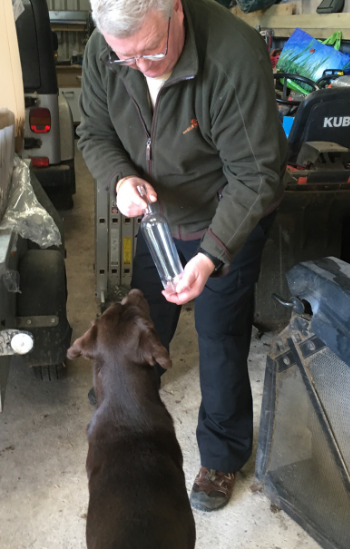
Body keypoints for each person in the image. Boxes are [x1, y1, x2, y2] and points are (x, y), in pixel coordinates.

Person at [77, 0, 288, 512]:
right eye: (127, 59)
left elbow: (258, 174)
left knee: (219, 335)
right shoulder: (105, 49)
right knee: (140, 322)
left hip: (225, 216)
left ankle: (220, 455)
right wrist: (121, 179)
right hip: (157, 216)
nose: (142, 66)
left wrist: (211, 255)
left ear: (174, 8)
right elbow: (95, 132)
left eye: (152, 51)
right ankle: (122, 408)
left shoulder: (234, 55)